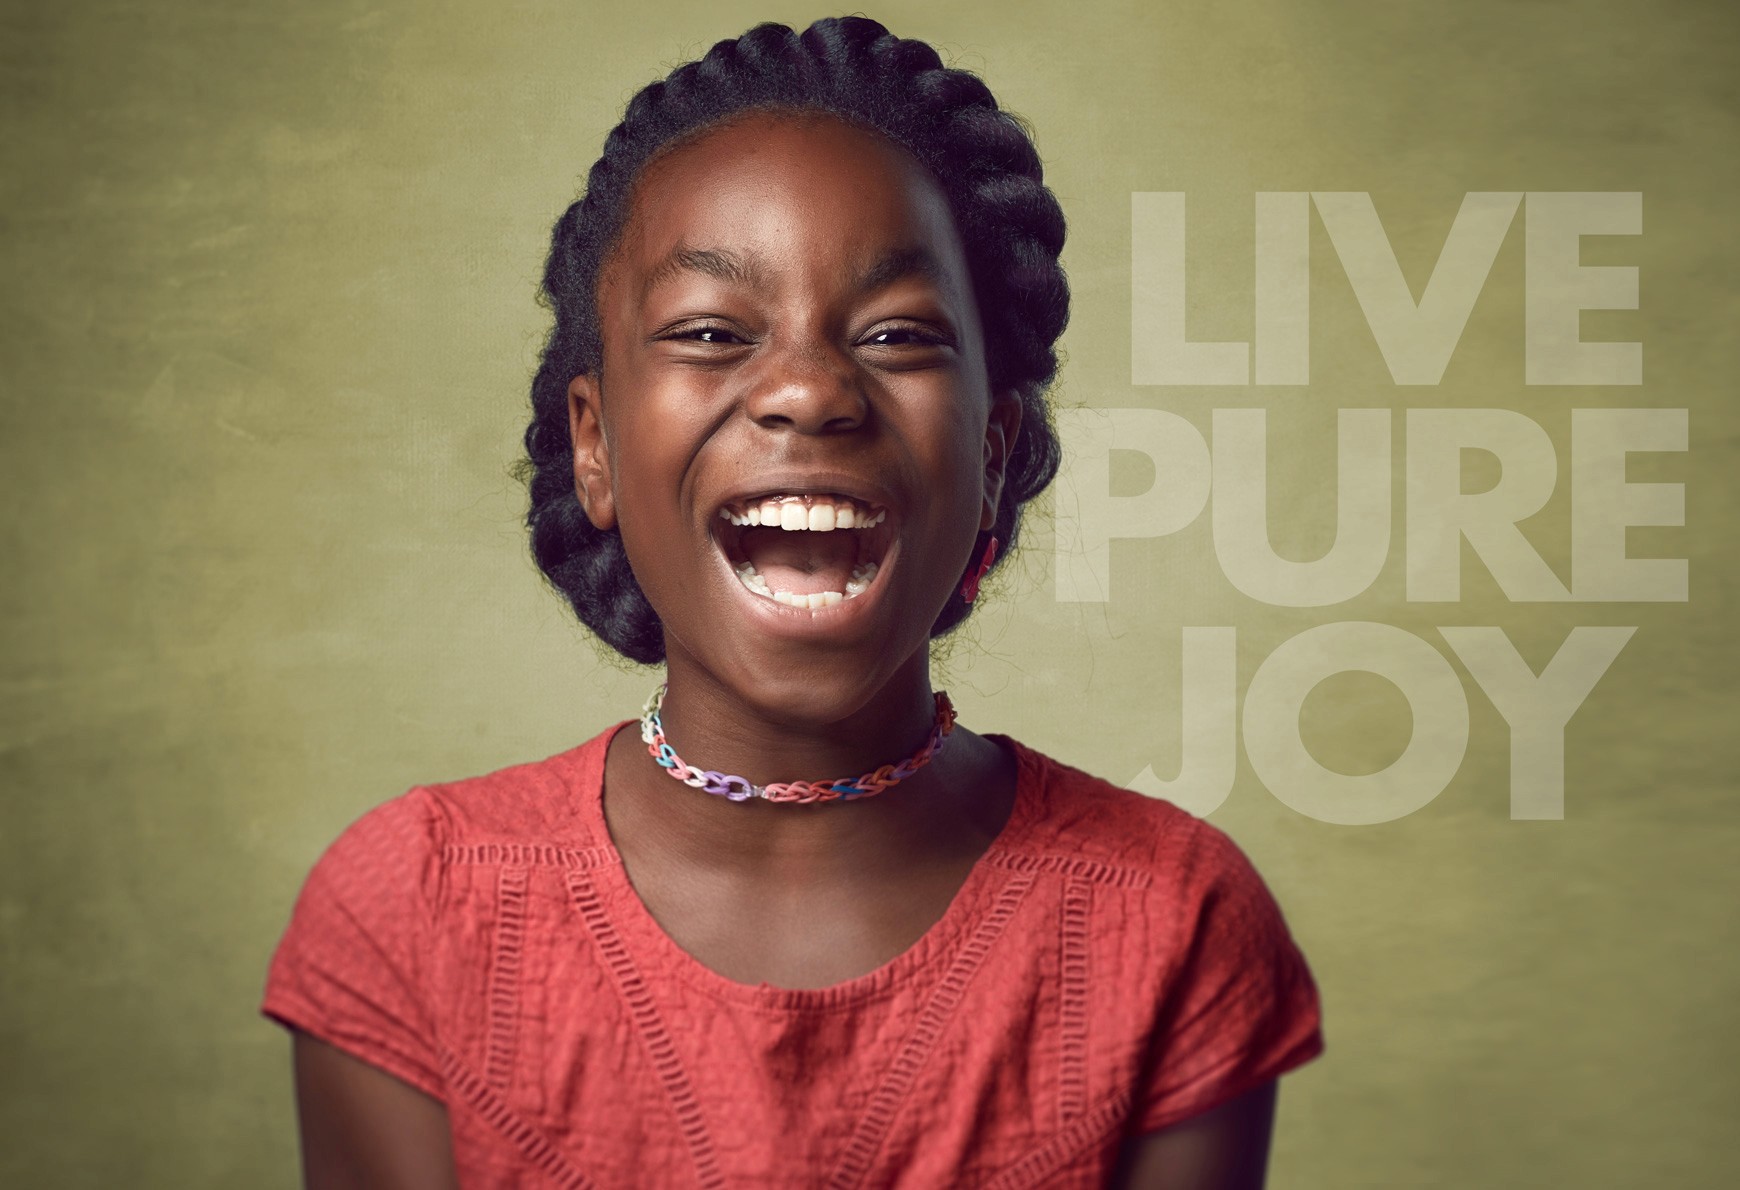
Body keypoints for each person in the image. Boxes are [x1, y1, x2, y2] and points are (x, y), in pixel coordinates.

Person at [262, 16, 1323, 1188]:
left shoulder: (1171, 923)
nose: (811, 391)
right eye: (712, 332)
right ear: (595, 444)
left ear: (993, 452)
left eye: (898, 333)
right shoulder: (412, 908)